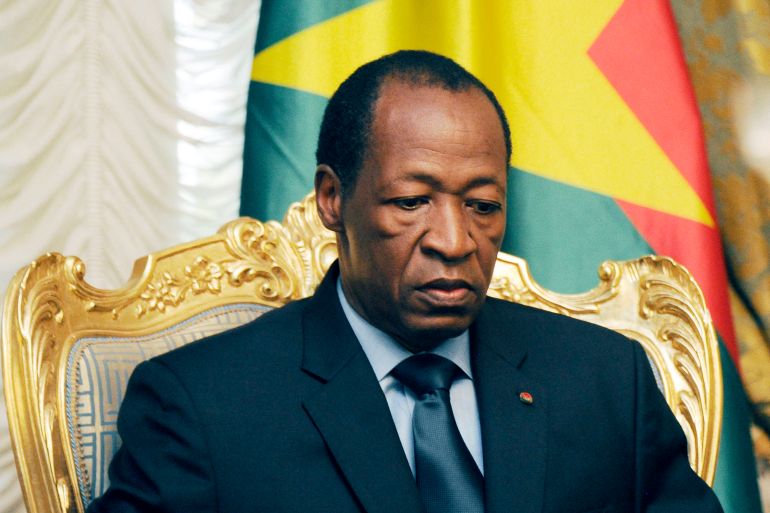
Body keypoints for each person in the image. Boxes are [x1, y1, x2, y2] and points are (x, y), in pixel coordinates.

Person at [87, 50, 723, 513]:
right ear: (332, 198)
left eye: (483, 205)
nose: (454, 241)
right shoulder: (202, 405)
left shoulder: (606, 380)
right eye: (412, 201)